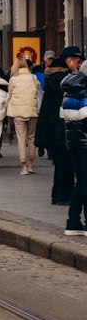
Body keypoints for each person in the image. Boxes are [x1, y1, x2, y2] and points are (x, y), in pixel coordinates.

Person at [40, 47, 80, 205]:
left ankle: (57, 194)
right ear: (68, 60)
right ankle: (64, 195)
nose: (78, 64)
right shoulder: (65, 79)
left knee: (60, 163)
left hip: (54, 126)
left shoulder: (53, 77)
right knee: (66, 163)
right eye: (76, 60)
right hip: (62, 126)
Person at [59, 47, 87, 235]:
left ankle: (75, 221)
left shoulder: (71, 87)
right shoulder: (82, 89)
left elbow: (66, 115)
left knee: (83, 181)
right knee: (84, 182)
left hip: (75, 140)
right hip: (84, 140)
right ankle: (74, 221)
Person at [6, 57, 41, 175]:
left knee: (21, 138)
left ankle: (23, 166)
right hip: (32, 111)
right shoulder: (33, 78)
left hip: (18, 112)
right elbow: (38, 92)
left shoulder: (13, 79)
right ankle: (31, 164)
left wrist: (6, 106)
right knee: (31, 137)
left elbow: (9, 95)